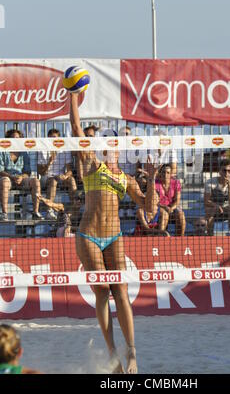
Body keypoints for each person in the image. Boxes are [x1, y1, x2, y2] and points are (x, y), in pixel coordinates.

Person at [69, 92, 159, 374]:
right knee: (102, 291)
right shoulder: (93, 166)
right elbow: (75, 130)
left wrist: (153, 177)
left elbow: (150, 209)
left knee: (121, 290)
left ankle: (132, 352)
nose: (112, 150)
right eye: (108, 146)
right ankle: (112, 354)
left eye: (115, 147)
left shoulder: (126, 179)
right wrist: (73, 98)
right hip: (89, 236)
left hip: (114, 237)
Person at [0, 129, 43, 221]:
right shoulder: (3, 151)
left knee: (36, 181)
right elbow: (0, 170)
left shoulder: (24, 153)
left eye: (17, 138)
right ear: (8, 139)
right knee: (4, 181)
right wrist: (12, 177)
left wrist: (21, 177)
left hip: (21, 178)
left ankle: (36, 212)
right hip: (7, 178)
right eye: (13, 138)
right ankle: (4, 214)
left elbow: (28, 172)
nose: (15, 140)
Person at [37, 128, 77, 220]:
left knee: (71, 180)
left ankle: (74, 208)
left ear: (59, 139)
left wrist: (65, 175)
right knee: (53, 181)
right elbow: (41, 172)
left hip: (60, 177)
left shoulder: (64, 150)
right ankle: (49, 210)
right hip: (46, 177)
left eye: (55, 138)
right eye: (50, 138)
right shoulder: (43, 150)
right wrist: (49, 162)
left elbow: (70, 170)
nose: (53, 140)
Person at [204, 160, 230, 236]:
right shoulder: (210, 183)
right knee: (209, 210)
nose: (227, 173)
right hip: (214, 207)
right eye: (224, 170)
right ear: (219, 171)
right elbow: (206, 201)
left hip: (228, 208)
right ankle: (210, 236)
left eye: (229, 171)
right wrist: (216, 206)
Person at [155, 164, 186, 236]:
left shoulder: (175, 182)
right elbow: (154, 201)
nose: (165, 174)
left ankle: (180, 238)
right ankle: (161, 237)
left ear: (171, 174)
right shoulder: (155, 183)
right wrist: (164, 207)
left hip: (172, 207)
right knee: (164, 214)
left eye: (168, 173)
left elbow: (177, 200)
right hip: (160, 207)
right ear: (160, 173)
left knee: (181, 214)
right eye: (163, 172)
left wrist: (171, 208)